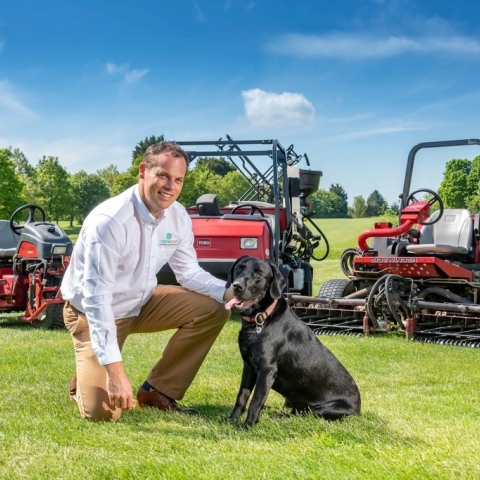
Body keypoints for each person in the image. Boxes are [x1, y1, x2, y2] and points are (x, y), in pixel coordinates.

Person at [61, 141, 233, 421]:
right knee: (104, 414)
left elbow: (188, 273)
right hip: (93, 315)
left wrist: (229, 293)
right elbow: (97, 299)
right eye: (163, 176)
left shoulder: (177, 216)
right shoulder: (110, 221)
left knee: (212, 310)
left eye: (178, 180)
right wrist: (116, 373)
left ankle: (156, 391)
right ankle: (88, 374)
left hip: (141, 302)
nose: (170, 187)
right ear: (143, 171)